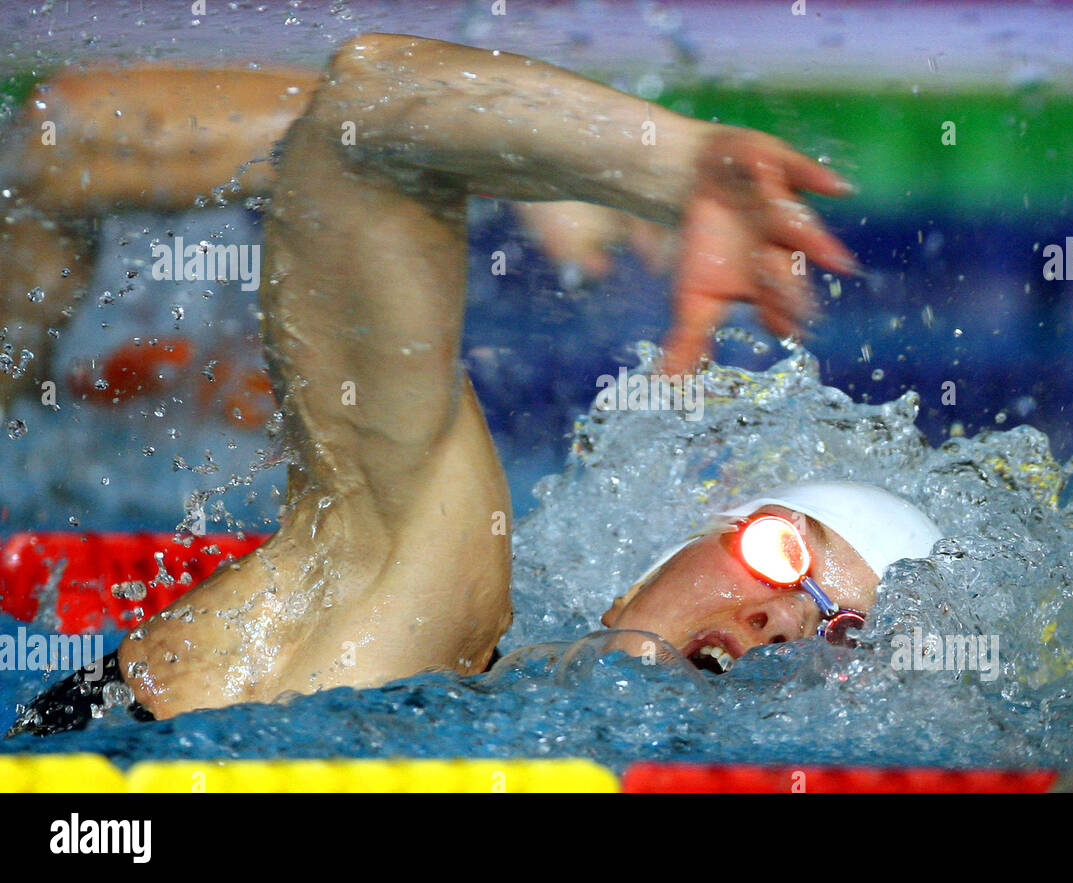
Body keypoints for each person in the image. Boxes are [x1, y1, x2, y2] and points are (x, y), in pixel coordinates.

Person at [2, 34, 937, 735]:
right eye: (781, 552)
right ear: (662, 557)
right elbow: (365, 112)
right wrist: (666, 165)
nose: (779, 618)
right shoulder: (421, 591)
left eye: (838, 632)